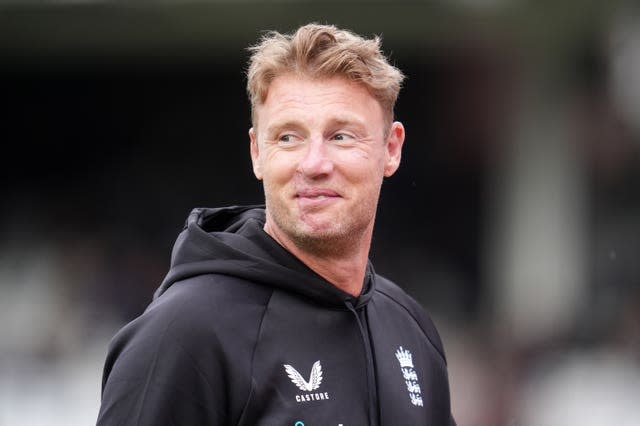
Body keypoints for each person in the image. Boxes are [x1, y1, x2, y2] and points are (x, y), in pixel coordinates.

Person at [97, 23, 456, 426]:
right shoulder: (183, 334)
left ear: (391, 149)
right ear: (257, 153)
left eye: (341, 136)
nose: (314, 164)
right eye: (288, 137)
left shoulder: (412, 330)